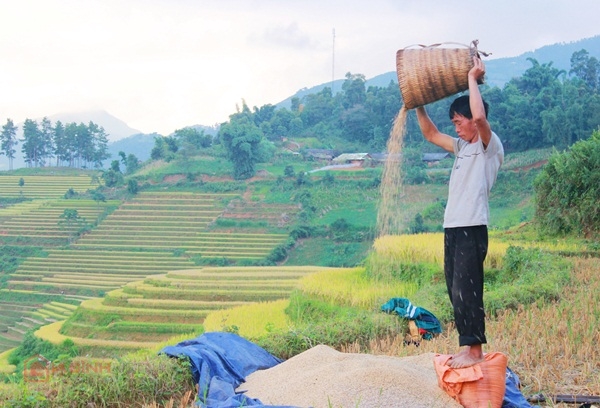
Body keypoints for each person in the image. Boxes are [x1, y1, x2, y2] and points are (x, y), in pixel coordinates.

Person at [415, 56, 504, 368]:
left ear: (470, 121)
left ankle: (475, 351)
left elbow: (480, 119)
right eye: (454, 123)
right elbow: (430, 134)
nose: (456, 127)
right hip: (453, 227)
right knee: (455, 289)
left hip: (472, 226)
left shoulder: (487, 145)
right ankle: (466, 346)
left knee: (467, 289)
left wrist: (471, 79)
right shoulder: (462, 147)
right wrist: (417, 104)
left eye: (458, 122)